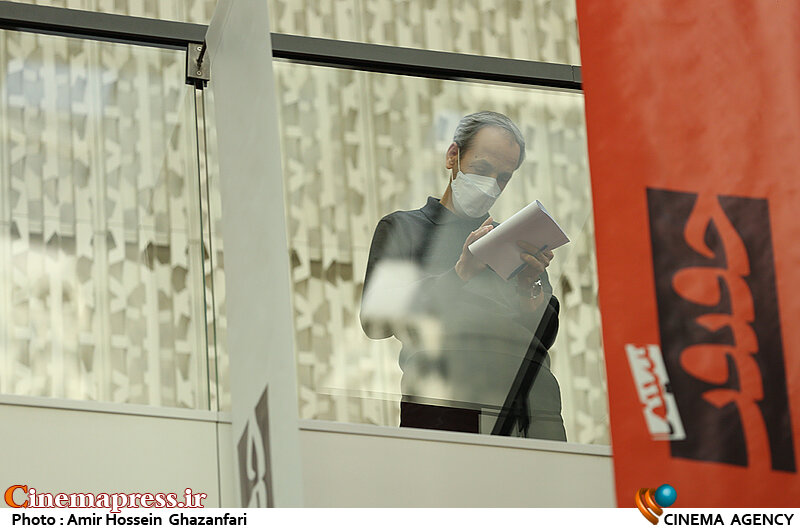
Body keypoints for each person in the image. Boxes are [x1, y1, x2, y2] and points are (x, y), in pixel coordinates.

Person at [360, 111, 566, 441]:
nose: (491, 185)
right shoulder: (405, 228)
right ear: (452, 156)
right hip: (446, 405)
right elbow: (375, 321)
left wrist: (529, 287)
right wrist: (461, 273)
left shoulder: (512, 239)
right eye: (482, 169)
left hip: (531, 407)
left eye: (503, 178)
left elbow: (543, 335)